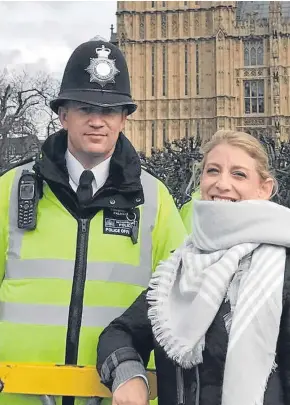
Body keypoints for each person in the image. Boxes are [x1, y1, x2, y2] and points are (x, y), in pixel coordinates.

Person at [0, 38, 187, 405]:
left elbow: (185, 302)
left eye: (111, 110)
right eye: (85, 108)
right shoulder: (9, 190)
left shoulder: (155, 199)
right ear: (63, 114)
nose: (97, 121)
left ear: (124, 118)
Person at [97, 130, 290, 405]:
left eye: (239, 174)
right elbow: (120, 333)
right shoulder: (179, 269)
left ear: (265, 188)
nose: (222, 184)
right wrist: (128, 375)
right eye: (213, 171)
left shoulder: (282, 270)